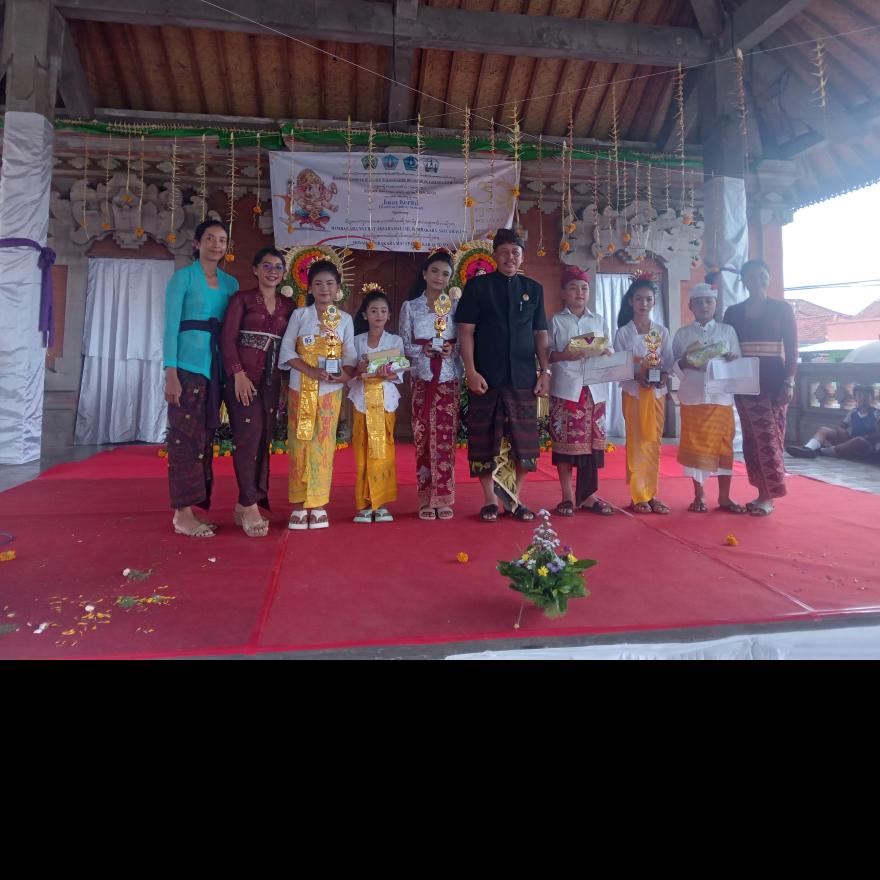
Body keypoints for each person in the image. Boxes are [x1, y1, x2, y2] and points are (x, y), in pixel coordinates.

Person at [456, 228, 551, 522]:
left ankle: (513, 499)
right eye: (505, 252)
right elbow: (466, 331)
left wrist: (545, 371)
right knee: (485, 442)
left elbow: (540, 334)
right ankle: (489, 500)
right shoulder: (478, 287)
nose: (510, 257)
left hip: (523, 378)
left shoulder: (534, 289)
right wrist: (471, 371)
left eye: (516, 252)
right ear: (495, 255)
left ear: (522, 257)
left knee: (524, 444)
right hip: (486, 377)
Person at [163, 218, 238, 537]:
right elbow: (170, 327)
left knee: (205, 441)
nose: (216, 244)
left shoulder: (231, 284)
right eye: (210, 238)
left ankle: (194, 508)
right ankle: (181, 514)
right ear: (197, 243)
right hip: (187, 367)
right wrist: (170, 372)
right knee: (184, 439)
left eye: (221, 239)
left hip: (216, 369)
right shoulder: (183, 278)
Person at [220, 247, 295, 537]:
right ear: (255, 269)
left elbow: (291, 345)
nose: (272, 271)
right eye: (267, 265)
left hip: (271, 381)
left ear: (283, 273)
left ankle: (245, 502)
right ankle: (250, 505)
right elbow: (227, 339)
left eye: (278, 267)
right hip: (244, 379)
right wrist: (237, 374)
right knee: (248, 439)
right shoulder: (241, 299)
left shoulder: (288, 306)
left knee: (263, 439)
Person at [278, 259, 357, 530]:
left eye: (330, 283)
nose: (324, 288)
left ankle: (319, 503)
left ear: (338, 288)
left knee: (323, 444)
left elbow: (350, 354)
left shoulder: (344, 319)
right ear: (310, 288)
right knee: (299, 443)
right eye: (318, 283)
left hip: (329, 392)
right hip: (300, 388)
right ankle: (300, 504)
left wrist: (343, 376)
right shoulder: (300, 316)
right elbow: (287, 350)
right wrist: (310, 371)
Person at [722, 260, 798, 516]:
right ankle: (760, 492)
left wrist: (789, 381)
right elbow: (725, 344)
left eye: (761, 275)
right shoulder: (733, 312)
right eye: (750, 276)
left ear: (769, 277)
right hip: (744, 383)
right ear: (743, 281)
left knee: (769, 440)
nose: (756, 280)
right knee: (752, 441)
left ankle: (768, 497)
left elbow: (792, 349)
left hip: (775, 384)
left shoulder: (782, 309)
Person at [672, 282, 745, 514]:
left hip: (720, 399)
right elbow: (674, 366)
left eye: (708, 301)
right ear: (690, 306)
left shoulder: (727, 331)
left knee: (724, 448)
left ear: (715, 304)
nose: (704, 305)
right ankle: (699, 496)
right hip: (693, 397)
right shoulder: (682, 334)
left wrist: (732, 358)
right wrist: (686, 361)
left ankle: (725, 497)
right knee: (695, 449)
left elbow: (739, 363)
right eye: (698, 302)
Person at [547, 265, 615, 516]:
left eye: (584, 288)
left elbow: (610, 348)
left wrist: (607, 352)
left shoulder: (599, 320)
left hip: (594, 390)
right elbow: (546, 354)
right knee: (565, 445)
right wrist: (565, 354)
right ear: (563, 293)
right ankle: (567, 497)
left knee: (591, 446)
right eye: (574, 288)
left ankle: (588, 496)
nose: (580, 293)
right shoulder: (556, 320)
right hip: (567, 389)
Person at [399, 249, 461, 521]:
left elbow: (464, 343)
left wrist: (452, 349)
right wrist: (421, 351)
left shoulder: (456, 307)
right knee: (423, 437)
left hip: (449, 378)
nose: (439, 277)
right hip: (423, 378)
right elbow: (404, 345)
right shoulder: (410, 307)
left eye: (445, 274)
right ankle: (425, 498)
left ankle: (444, 497)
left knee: (445, 438)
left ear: (450, 278)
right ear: (424, 273)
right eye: (434, 271)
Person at [613, 276, 674, 514]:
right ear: (630, 301)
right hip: (634, 394)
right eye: (639, 299)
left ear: (654, 302)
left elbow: (668, 362)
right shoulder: (623, 333)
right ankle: (639, 495)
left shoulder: (661, 332)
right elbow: (619, 365)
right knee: (637, 443)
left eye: (648, 299)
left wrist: (663, 376)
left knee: (653, 443)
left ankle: (652, 493)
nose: (644, 303)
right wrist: (637, 375)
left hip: (656, 395)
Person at [349, 286, 404, 523]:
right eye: (373, 310)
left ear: (389, 315)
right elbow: (350, 372)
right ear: (365, 314)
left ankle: (380, 504)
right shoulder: (356, 341)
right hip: (362, 401)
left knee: (383, 449)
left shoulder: (395, 340)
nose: (378, 315)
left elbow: (399, 372)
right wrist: (359, 368)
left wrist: (387, 372)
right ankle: (364, 504)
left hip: (385, 402)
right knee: (362, 450)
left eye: (383, 310)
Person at [787, 384, 880, 460]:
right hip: (850, 441)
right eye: (859, 395)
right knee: (824, 429)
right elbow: (841, 425)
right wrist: (841, 431)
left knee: (858, 440)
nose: (862, 398)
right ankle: (808, 448)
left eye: (865, 395)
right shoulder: (853, 412)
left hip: (866, 445)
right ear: (855, 397)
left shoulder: (876, 413)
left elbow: (878, 435)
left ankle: (824, 451)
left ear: (871, 397)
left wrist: (864, 437)